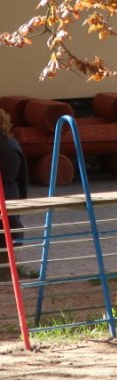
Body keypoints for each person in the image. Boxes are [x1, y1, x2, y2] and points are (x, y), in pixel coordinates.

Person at [0, 108, 28, 281]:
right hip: (11, 197)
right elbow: (22, 178)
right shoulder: (10, 142)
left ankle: (5, 276)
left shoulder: (6, 146)